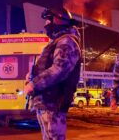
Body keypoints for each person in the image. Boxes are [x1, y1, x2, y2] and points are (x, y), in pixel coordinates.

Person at [24, 7, 81, 140]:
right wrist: (32, 75)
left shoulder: (67, 42)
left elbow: (59, 69)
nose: (45, 25)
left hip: (54, 101)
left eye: (48, 21)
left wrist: (34, 83)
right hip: (46, 101)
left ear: (57, 21)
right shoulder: (56, 42)